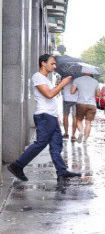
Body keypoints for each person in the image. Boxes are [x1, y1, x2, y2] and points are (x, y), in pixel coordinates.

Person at [6, 54, 82, 182]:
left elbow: (50, 99)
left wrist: (56, 115)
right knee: (40, 143)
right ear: (43, 63)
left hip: (51, 116)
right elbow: (49, 94)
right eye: (52, 63)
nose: (54, 66)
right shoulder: (37, 77)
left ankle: (62, 172)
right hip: (44, 116)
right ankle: (17, 165)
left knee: (56, 145)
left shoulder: (46, 79)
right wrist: (62, 85)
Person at [71, 72, 98, 144]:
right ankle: (85, 140)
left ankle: (81, 131)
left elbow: (72, 91)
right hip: (92, 104)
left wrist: (78, 89)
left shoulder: (77, 80)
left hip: (81, 103)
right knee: (88, 122)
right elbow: (98, 94)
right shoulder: (95, 82)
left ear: (83, 72)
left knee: (79, 120)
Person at [61, 71, 79, 141]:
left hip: (66, 98)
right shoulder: (78, 77)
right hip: (76, 99)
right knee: (75, 117)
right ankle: (73, 135)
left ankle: (66, 133)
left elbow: (61, 86)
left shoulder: (64, 76)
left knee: (65, 115)